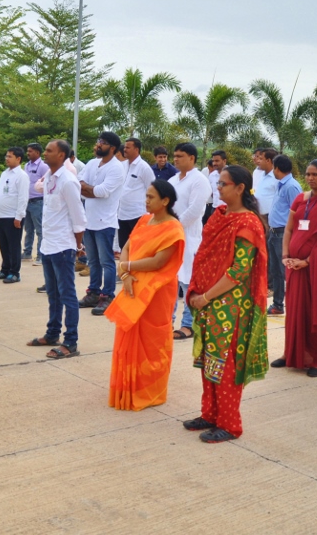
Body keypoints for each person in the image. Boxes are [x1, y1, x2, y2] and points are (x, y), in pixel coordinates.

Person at [183, 165, 269, 442]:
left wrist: (206, 297)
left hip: (231, 305)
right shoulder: (219, 216)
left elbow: (239, 271)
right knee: (210, 360)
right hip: (208, 300)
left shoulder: (248, 224)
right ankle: (210, 414)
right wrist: (198, 293)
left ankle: (230, 424)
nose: (218, 187)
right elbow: (204, 256)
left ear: (240, 188)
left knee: (225, 363)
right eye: (218, 183)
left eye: (223, 184)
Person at [106, 180, 185, 411]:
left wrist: (126, 267)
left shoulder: (173, 229)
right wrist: (125, 274)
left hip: (157, 291)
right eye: (146, 196)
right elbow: (126, 248)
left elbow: (158, 262)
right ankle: (127, 388)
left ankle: (149, 391)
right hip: (133, 284)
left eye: (151, 197)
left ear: (165, 201)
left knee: (153, 340)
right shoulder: (143, 220)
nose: (146, 201)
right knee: (129, 334)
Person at [271, 159, 317, 376]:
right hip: (294, 265)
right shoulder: (300, 199)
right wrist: (285, 256)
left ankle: (316, 360)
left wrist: (308, 261)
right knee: (295, 309)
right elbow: (289, 229)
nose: (310, 178)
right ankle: (290, 353)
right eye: (308, 174)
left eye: (315, 174)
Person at [26, 140, 87, 359]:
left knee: (67, 295)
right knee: (53, 293)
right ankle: (52, 333)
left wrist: (78, 246)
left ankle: (70, 342)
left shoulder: (68, 181)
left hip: (63, 246)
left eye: (49, 151)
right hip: (48, 245)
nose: (45, 153)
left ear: (61, 155)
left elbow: (78, 218)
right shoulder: (50, 177)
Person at [78, 131, 126, 316]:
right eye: (98, 141)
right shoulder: (92, 163)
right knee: (93, 261)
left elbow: (103, 191)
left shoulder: (116, 168)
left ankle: (107, 296)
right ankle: (93, 293)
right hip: (89, 220)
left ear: (112, 148)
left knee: (106, 261)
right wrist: (90, 190)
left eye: (103, 142)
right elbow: (78, 183)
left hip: (105, 222)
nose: (98, 144)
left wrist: (88, 189)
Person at [169, 143, 210, 340]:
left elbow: (194, 211)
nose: (175, 159)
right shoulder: (173, 180)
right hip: (170, 239)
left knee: (188, 284)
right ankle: (166, 322)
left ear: (192, 158)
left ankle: (188, 325)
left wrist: (173, 227)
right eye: (175, 156)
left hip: (189, 239)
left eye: (180, 156)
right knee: (170, 283)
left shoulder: (200, 181)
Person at [267, 154, 303, 316]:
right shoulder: (281, 185)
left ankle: (295, 303)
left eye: (273, 168)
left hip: (283, 233)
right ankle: (277, 304)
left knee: (285, 271)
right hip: (274, 233)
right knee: (275, 271)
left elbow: (298, 212)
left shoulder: (291, 187)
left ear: (277, 168)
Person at [0, 147, 30, 283]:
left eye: (10, 156)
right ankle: (5, 269)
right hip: (1, 215)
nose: (6, 159)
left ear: (18, 159)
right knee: (3, 244)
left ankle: (15, 272)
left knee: (13, 246)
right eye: (6, 156)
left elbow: (23, 198)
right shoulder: (5, 174)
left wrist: (19, 216)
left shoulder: (22, 176)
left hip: (13, 217)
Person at [117, 137, 156, 255]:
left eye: (128, 147)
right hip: (122, 214)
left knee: (138, 247)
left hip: (138, 214)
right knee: (123, 246)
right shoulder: (122, 165)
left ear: (136, 149)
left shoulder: (144, 167)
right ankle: (125, 267)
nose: (125, 149)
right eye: (124, 147)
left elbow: (153, 189)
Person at [22, 143, 46, 265]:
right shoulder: (27, 165)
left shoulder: (43, 166)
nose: (28, 153)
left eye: (30, 151)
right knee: (28, 229)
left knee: (40, 230)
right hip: (27, 201)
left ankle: (41, 256)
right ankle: (27, 253)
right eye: (28, 151)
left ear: (37, 152)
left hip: (38, 202)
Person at [252, 148, 278, 224]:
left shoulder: (276, 178)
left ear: (268, 161)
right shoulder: (261, 174)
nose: (258, 161)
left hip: (270, 217)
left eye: (261, 159)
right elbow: (254, 188)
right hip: (259, 214)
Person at [203, 151, 227, 224]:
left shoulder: (231, 174)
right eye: (213, 161)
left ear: (224, 161)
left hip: (227, 209)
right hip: (214, 208)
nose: (214, 163)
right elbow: (211, 191)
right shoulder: (212, 175)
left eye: (217, 161)